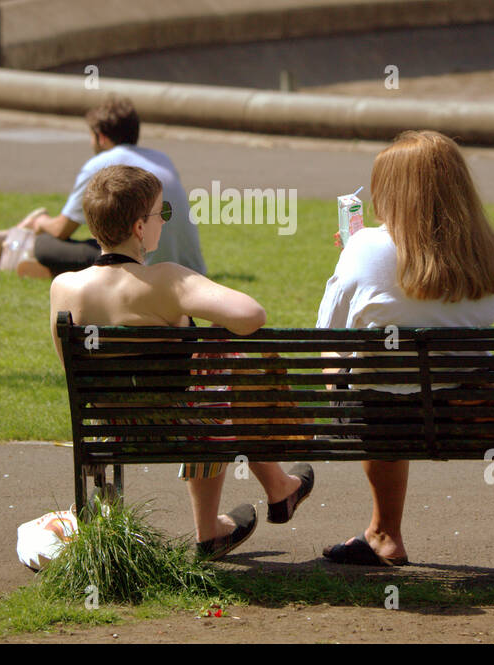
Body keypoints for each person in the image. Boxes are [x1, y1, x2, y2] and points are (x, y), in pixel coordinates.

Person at [48, 164, 314, 560]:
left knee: (210, 366)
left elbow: (70, 367)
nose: (164, 222)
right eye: (162, 214)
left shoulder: (64, 287)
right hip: (180, 427)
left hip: (107, 427)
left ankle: (273, 491)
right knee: (219, 360)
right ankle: (222, 522)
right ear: (140, 228)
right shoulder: (166, 280)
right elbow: (251, 314)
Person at [316, 131, 494, 566]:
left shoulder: (365, 247)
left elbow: (327, 333)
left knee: (366, 374)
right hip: (462, 413)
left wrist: (354, 250)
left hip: (385, 417)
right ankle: (379, 531)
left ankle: (385, 532)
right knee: (396, 381)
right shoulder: (485, 254)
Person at [5, 97, 207, 279]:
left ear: (101, 137)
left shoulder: (101, 165)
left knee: (44, 245)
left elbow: (61, 230)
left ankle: (54, 270)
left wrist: (40, 222)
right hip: (188, 267)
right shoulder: (162, 159)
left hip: (141, 266)